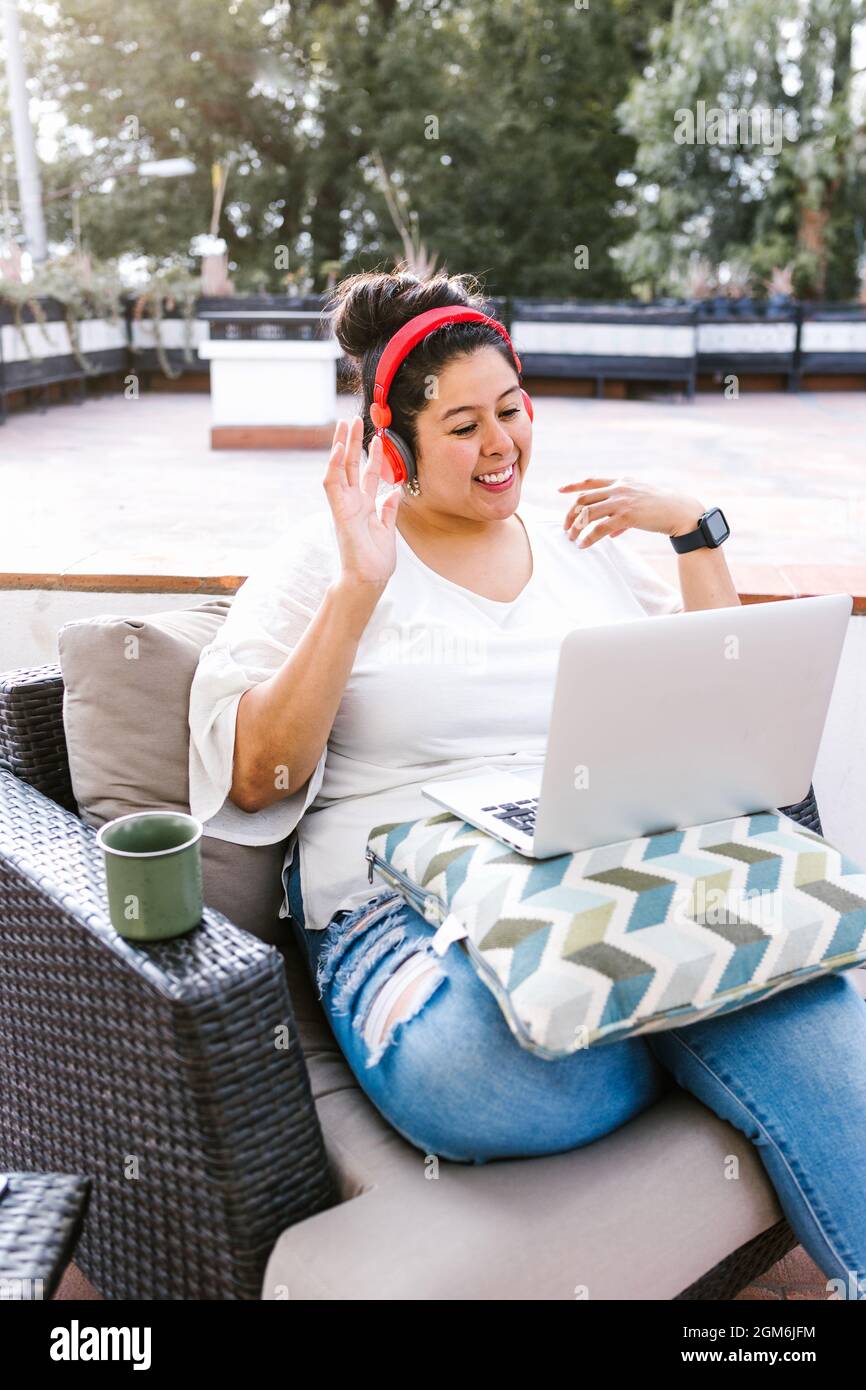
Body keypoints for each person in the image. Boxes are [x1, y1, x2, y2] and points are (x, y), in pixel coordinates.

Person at [188, 268, 866, 1295]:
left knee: (824, 1033)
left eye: (510, 408)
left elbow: (716, 699)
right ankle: (689, 1007)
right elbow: (258, 774)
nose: (500, 443)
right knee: (492, 1074)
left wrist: (691, 526)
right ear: (392, 444)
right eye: (460, 424)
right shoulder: (321, 564)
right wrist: (356, 590)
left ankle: (664, 1001)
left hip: (596, 883)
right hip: (405, 916)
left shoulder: (574, 551)